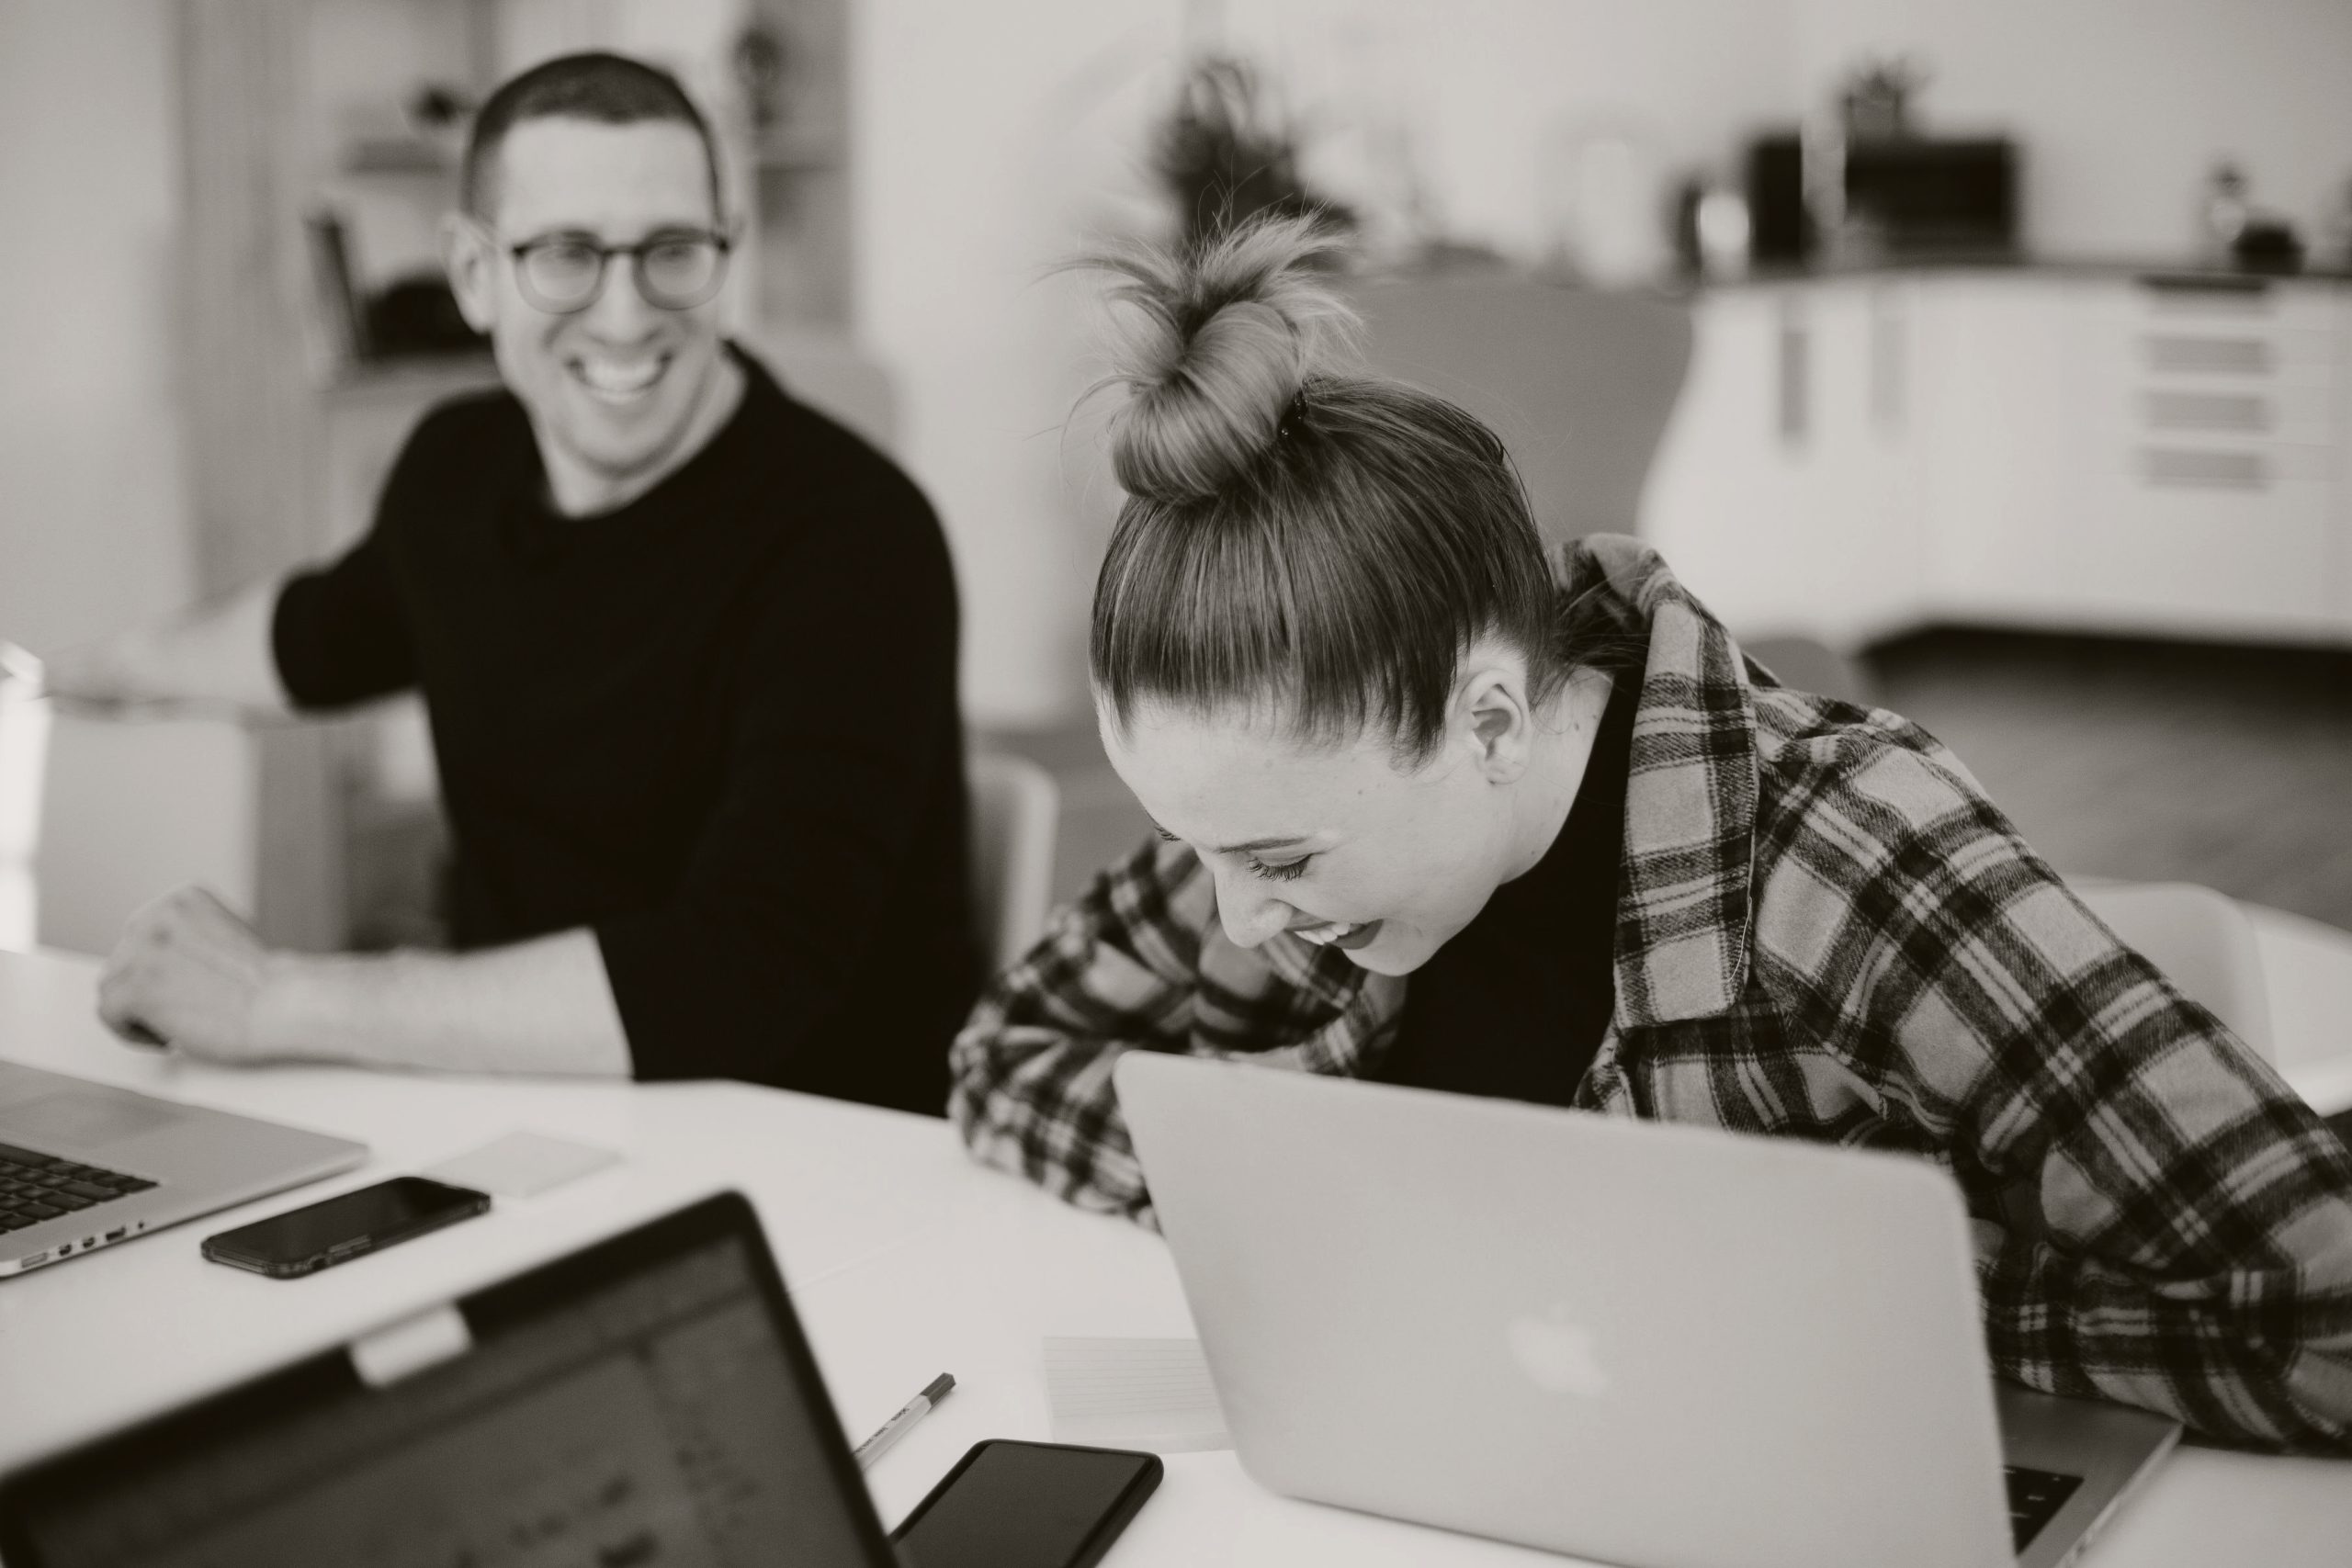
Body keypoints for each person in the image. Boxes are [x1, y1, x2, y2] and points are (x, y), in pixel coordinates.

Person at [949, 215, 2352, 1450]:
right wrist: (1306, 1188)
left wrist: (1886, 1297)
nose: (1235, 914)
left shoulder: (1850, 857)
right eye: (1193, 841)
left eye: (1277, 861)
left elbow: (2325, 1310)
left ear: (1489, 719)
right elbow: (1004, 1056)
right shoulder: (1281, 802)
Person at [44, 52, 974, 1114]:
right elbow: (316, 635)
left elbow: (740, 973)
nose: (624, 316)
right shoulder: (458, 469)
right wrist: (80, 670)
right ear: (474, 274)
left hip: (815, 1152)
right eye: (566, 256)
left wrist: (275, 999)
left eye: (671, 251)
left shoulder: (857, 539)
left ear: (726, 251)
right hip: (521, 1113)